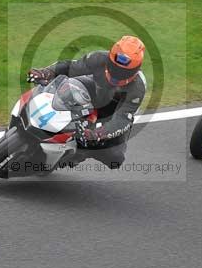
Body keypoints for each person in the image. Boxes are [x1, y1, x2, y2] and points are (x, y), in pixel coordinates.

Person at [27, 35, 146, 168]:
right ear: (110, 60)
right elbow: (72, 67)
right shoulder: (99, 58)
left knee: (115, 159)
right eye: (114, 67)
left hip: (112, 113)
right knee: (66, 87)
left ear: (135, 70)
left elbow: (122, 119)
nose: (116, 75)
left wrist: (98, 134)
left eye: (124, 73)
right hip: (94, 91)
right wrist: (46, 72)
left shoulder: (137, 88)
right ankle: (36, 115)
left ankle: (79, 154)